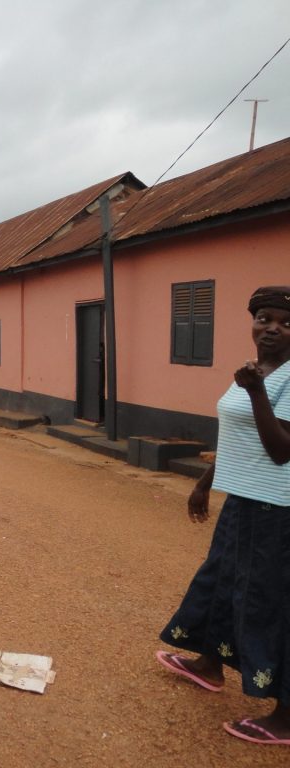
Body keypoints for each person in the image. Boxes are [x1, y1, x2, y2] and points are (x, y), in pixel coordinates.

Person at [157, 286, 290, 745]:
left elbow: (280, 451)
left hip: (278, 508)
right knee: (221, 580)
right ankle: (210, 665)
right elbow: (238, 437)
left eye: (286, 322)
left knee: (270, 601)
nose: (272, 327)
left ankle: (286, 716)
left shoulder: (283, 377)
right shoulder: (254, 371)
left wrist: (256, 392)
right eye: (264, 318)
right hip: (244, 498)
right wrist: (206, 481)